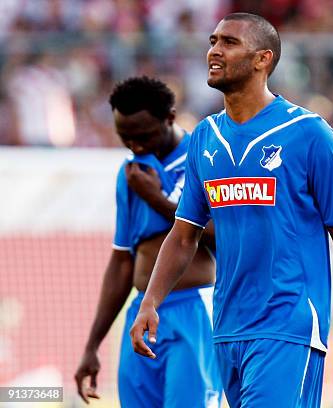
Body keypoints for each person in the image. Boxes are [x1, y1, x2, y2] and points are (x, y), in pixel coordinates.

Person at [129, 12, 333, 407]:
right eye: (213, 40)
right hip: (227, 328)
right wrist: (151, 301)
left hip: (289, 325)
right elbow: (184, 235)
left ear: (262, 59)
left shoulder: (309, 134)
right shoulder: (204, 137)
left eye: (229, 42)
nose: (214, 50)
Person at [74, 76, 222, 407]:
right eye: (125, 137)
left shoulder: (206, 157)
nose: (135, 146)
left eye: (143, 136)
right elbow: (123, 259)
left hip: (194, 309)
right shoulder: (130, 173)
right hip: (141, 313)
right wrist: (92, 346)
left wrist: (159, 200)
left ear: (170, 117)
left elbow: (226, 237)